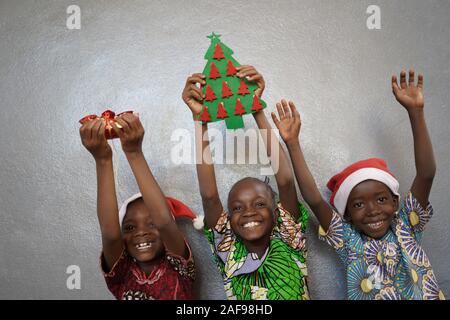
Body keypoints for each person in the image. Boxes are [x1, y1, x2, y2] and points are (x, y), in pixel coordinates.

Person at [272, 70, 445, 300]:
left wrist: (416, 113)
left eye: (381, 199)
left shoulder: (407, 227)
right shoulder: (348, 240)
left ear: (395, 203)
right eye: (359, 204)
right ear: (348, 214)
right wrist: (293, 144)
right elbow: (313, 198)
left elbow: (426, 173)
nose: (373, 209)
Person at [182, 66, 310, 300]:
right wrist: (200, 119)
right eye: (238, 208)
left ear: (276, 212)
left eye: (260, 204)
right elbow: (209, 196)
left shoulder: (288, 237)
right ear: (228, 218)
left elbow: (285, 181)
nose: (249, 212)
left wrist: (255, 107)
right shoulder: (228, 249)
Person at [79, 112, 199, 300]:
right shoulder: (121, 274)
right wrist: (102, 160)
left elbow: (165, 221)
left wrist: (134, 153)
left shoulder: (178, 267)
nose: (140, 232)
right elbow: (110, 234)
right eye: (129, 227)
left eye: (152, 224)